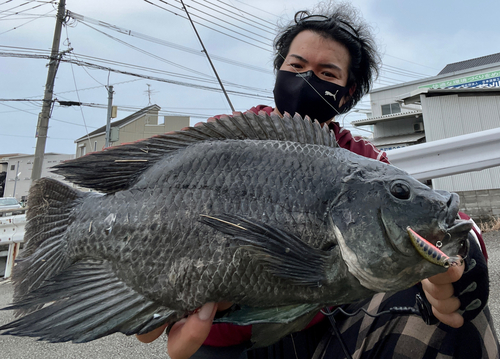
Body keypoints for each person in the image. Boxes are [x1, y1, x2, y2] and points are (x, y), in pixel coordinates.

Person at [137, 2, 499, 358]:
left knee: (452, 319)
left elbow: (431, 213)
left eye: (327, 73)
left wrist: (466, 257)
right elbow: (150, 192)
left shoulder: (360, 161)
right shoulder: (224, 138)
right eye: (296, 66)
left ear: (347, 93)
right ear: (279, 69)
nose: (306, 79)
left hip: (321, 332)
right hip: (214, 340)